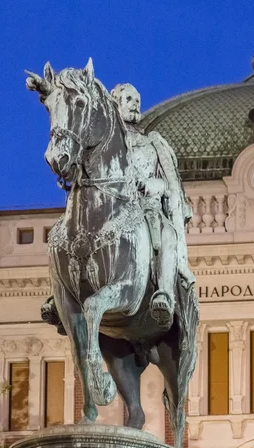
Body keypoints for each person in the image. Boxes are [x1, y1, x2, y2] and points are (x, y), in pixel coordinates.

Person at [111, 83, 195, 330]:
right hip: (115, 208)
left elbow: (170, 183)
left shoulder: (152, 143)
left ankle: (164, 294)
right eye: (129, 99)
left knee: (168, 235)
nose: (136, 103)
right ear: (116, 102)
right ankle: (65, 291)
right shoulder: (106, 144)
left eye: (137, 99)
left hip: (148, 208)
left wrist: (154, 184)